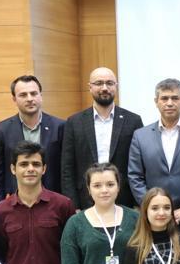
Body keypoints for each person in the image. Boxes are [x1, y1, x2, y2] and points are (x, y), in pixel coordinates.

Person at [128, 78, 180, 228]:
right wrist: (152, 208)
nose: (169, 103)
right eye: (164, 98)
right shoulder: (140, 135)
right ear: (156, 101)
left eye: (175, 98)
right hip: (154, 219)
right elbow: (135, 176)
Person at [61, 67, 144, 209]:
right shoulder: (74, 122)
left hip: (124, 201)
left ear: (116, 86)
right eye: (99, 83)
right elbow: (67, 168)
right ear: (90, 87)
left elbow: (140, 165)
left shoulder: (133, 121)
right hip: (86, 201)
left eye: (110, 83)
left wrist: (138, 204)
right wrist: (73, 206)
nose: (104, 88)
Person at [0, 75, 65, 212]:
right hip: (15, 206)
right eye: (23, 95)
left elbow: (66, 170)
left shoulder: (60, 127)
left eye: (34, 93)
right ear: (14, 99)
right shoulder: (1, 130)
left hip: (53, 204)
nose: (29, 99)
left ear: (41, 96)